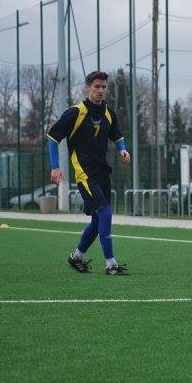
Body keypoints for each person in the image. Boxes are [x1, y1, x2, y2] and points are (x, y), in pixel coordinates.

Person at [46, 71, 130, 276]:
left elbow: (117, 135)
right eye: (97, 86)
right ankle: (111, 265)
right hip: (84, 174)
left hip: (103, 173)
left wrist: (122, 149)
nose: (101, 90)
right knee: (105, 213)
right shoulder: (75, 113)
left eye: (104, 87)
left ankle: (76, 257)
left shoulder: (109, 114)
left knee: (97, 220)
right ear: (88, 88)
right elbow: (52, 138)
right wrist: (55, 167)